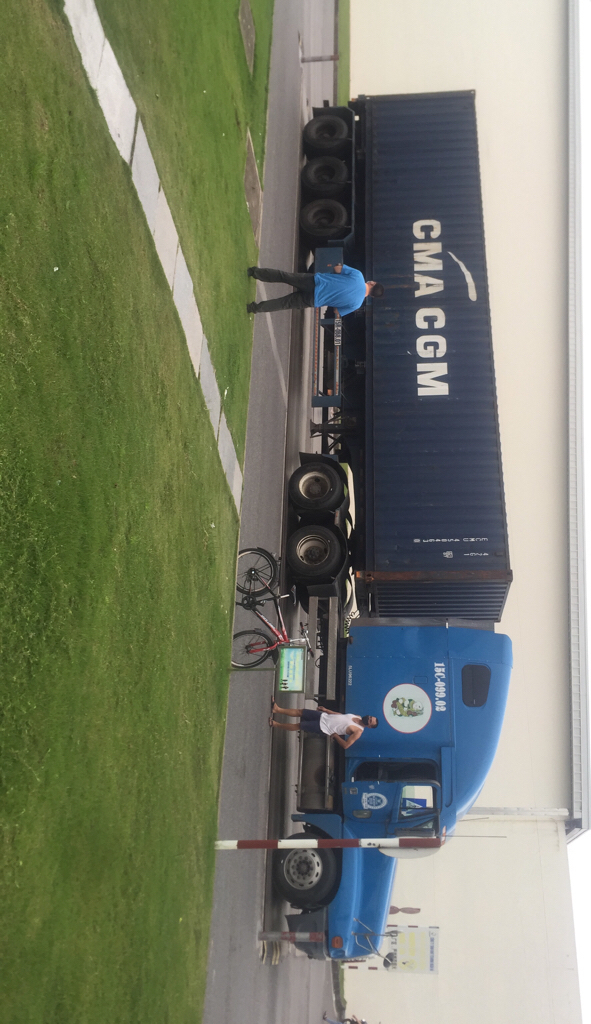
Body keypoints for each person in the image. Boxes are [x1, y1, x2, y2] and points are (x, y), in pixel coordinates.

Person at [246, 264, 384, 316]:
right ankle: (254, 308)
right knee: (284, 303)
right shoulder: (356, 304)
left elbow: (337, 268)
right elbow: (336, 311)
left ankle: (254, 272)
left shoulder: (358, 275)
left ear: (372, 283)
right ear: (371, 296)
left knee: (284, 277)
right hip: (315, 300)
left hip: (315, 281)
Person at [269, 702, 378, 749]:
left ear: (369, 726)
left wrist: (336, 736)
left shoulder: (358, 732)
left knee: (299, 725)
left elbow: (346, 746)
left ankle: (276, 724)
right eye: (370, 717)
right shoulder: (358, 716)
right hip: (324, 716)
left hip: (324, 727)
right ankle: (277, 709)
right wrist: (326, 710)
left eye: (370, 721)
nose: (368, 718)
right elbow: (340, 715)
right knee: (300, 711)